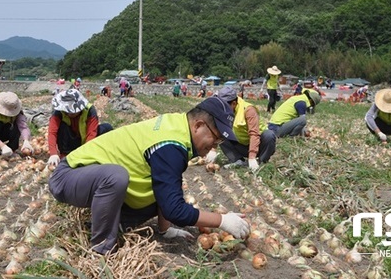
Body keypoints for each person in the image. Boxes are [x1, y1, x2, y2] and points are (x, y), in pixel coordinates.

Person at [48, 97, 250, 255]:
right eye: (215, 140)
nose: (213, 148)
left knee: (164, 191)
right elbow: (175, 210)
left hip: (88, 178)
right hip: (68, 176)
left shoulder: (178, 127)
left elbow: (169, 193)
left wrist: (165, 230)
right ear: (198, 125)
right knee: (115, 177)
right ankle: (101, 248)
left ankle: (108, 223)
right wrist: (222, 220)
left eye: (218, 144)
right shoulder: (171, 144)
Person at [209, 86, 276, 171]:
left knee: (269, 135)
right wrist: (213, 149)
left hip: (259, 145)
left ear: (233, 103)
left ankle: (261, 162)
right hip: (242, 145)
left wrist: (252, 157)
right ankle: (238, 161)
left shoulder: (248, 110)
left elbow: (254, 134)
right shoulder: (224, 112)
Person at [47, 89, 113, 167]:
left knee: (107, 128)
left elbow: (91, 134)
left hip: (86, 140)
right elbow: (52, 132)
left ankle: (104, 153)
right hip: (71, 139)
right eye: (67, 111)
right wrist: (53, 153)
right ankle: (65, 155)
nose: (69, 113)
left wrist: (84, 153)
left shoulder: (89, 110)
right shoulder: (59, 112)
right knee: (62, 127)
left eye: (72, 112)